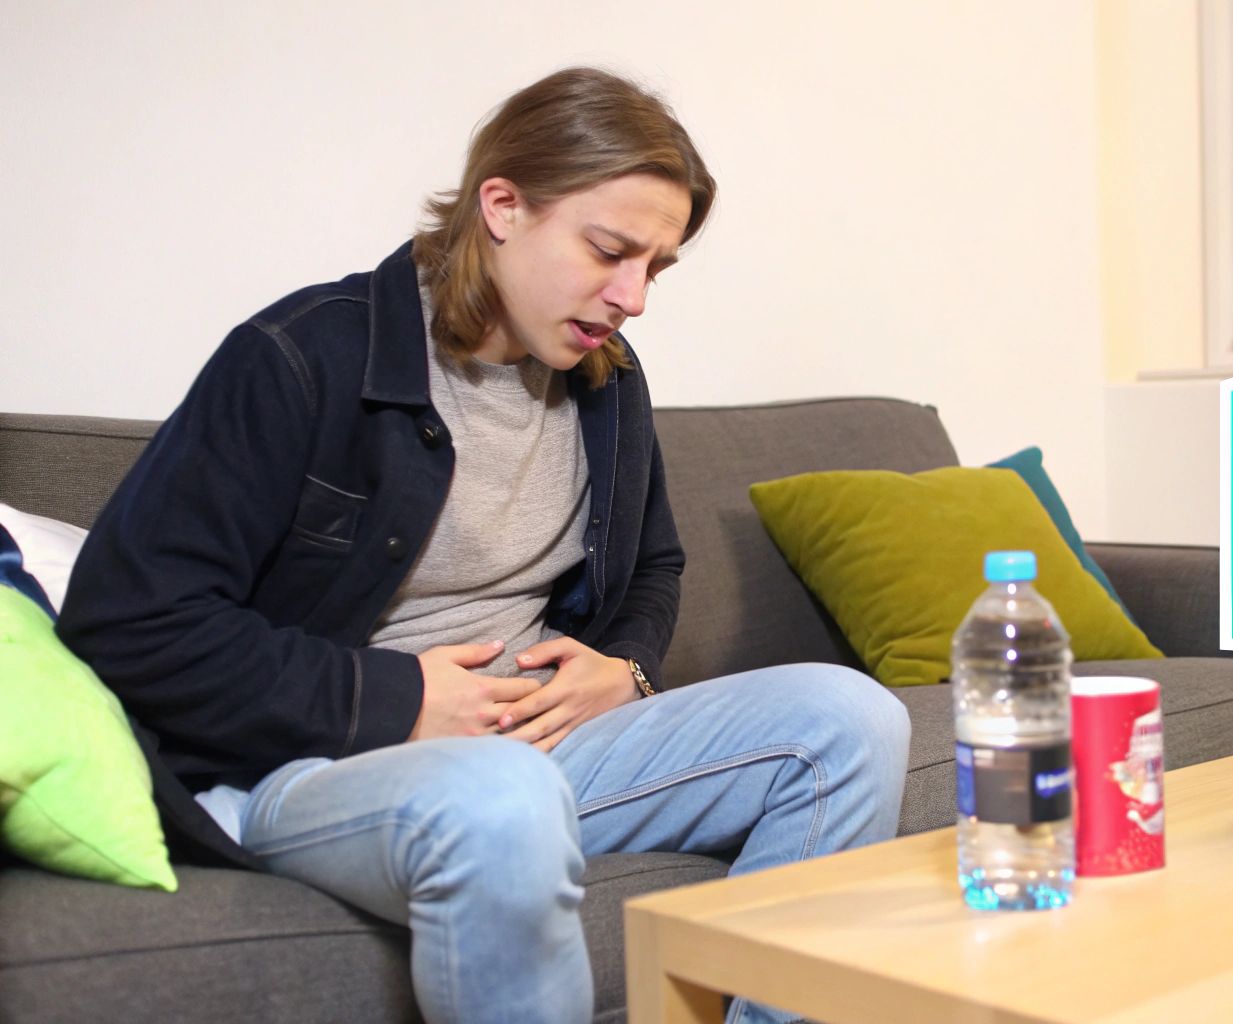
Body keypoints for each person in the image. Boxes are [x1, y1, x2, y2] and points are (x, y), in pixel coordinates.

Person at [57, 66, 910, 1024]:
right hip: (316, 770)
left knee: (849, 719)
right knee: (503, 799)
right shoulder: (301, 358)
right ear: (502, 205)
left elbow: (656, 565)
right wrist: (402, 697)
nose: (633, 296)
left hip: (547, 751)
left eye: (656, 267)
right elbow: (128, 623)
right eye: (609, 250)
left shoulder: (604, 380)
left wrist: (623, 665)